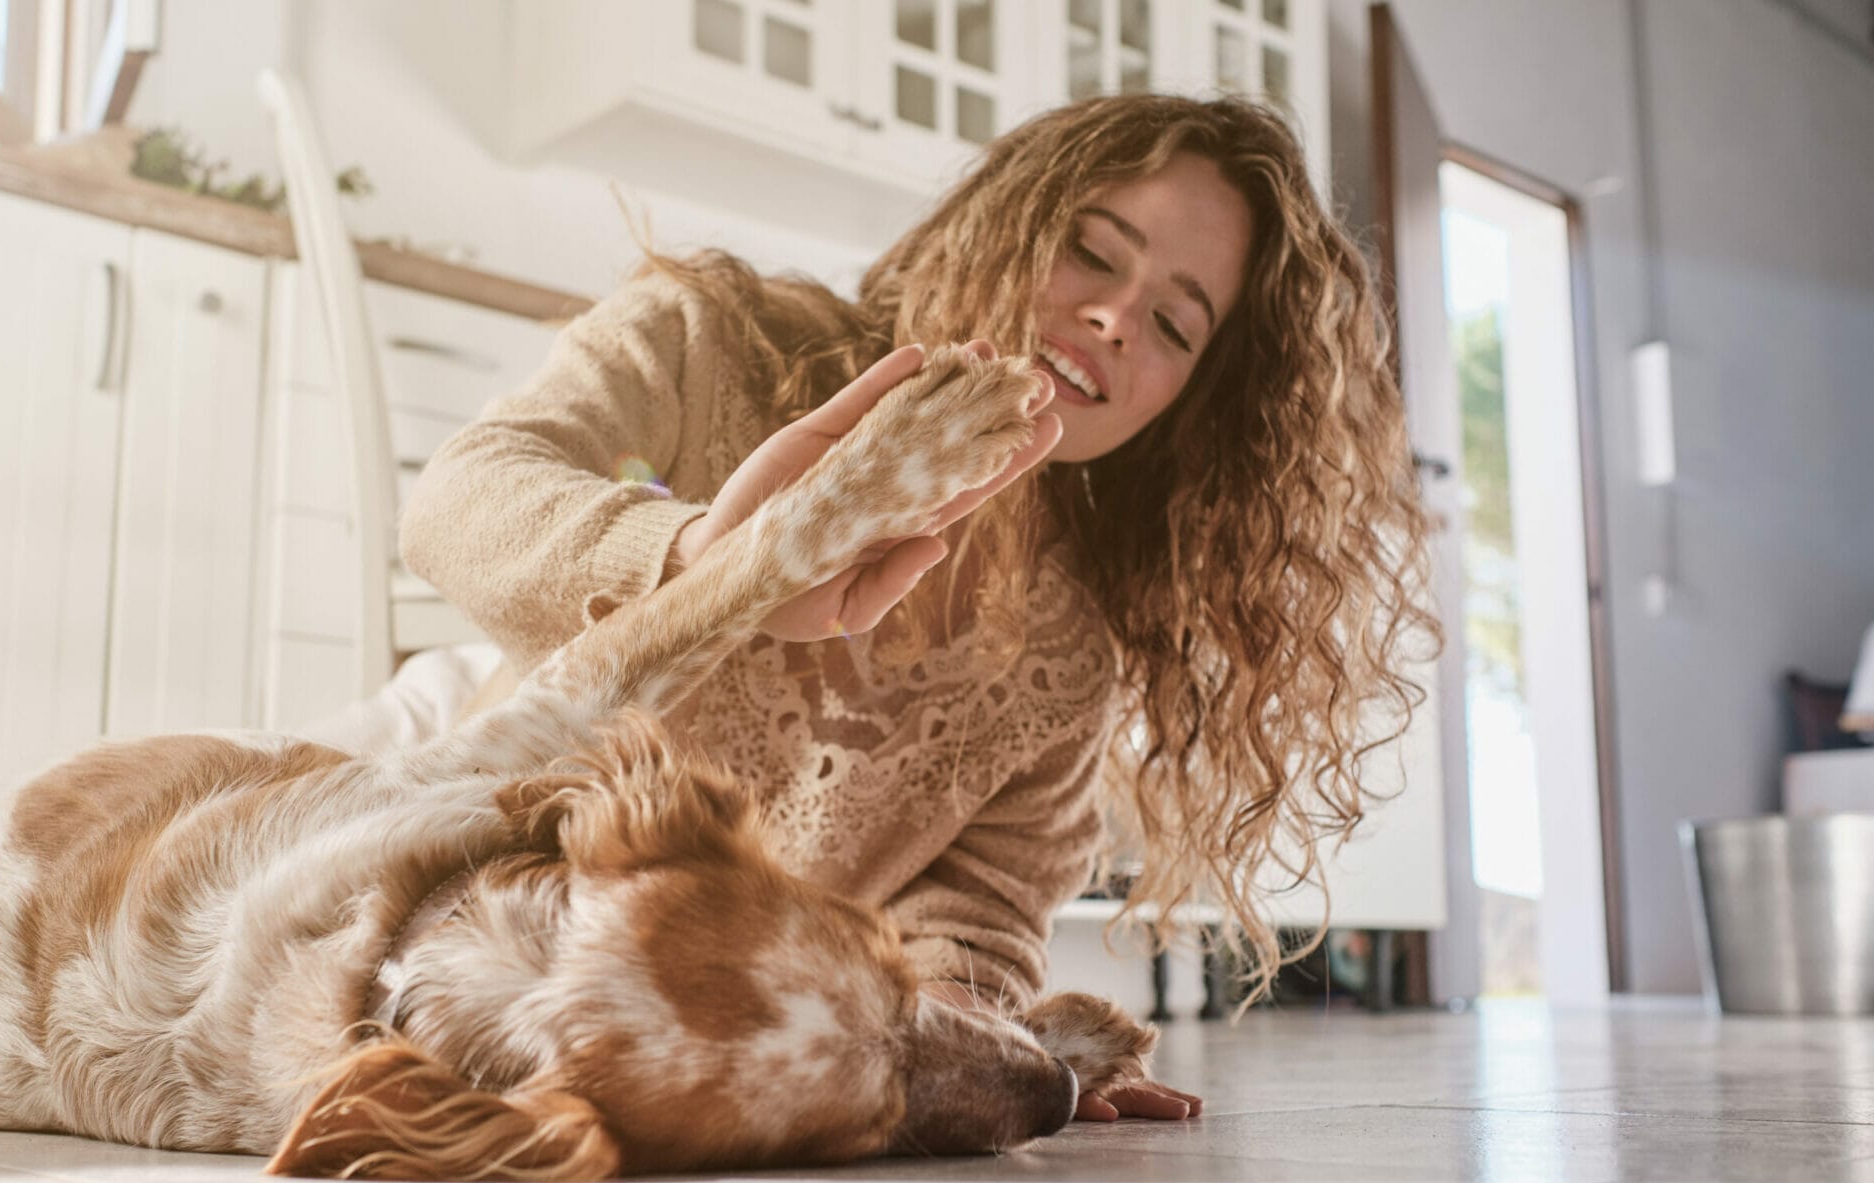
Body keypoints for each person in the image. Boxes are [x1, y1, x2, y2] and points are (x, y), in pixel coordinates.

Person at [388, 94, 1436, 1122]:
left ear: (1189, 402)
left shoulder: (1070, 650)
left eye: (1170, 322)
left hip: (657, 975)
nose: (1115, 317)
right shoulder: (709, 340)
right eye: (1090, 250)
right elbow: (454, 503)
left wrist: (958, 1043)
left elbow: (977, 902)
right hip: (448, 769)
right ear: (1002, 221)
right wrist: (715, 563)